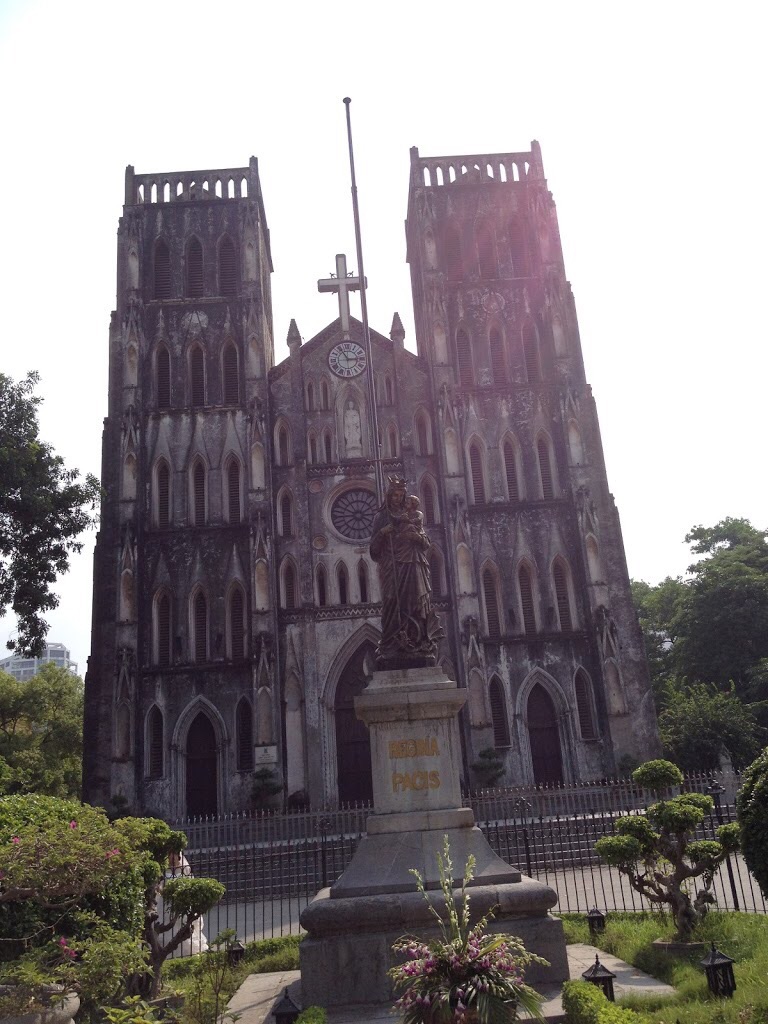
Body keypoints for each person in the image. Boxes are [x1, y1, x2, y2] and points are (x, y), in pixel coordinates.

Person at [369, 477, 443, 668]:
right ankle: (390, 645)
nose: (398, 498)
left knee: (415, 604)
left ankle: (416, 643)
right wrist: (383, 533)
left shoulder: (411, 514)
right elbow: (373, 551)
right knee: (391, 602)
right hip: (391, 567)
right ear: (389, 496)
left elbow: (426, 543)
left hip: (413, 564)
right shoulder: (381, 517)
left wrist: (415, 536)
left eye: (401, 495)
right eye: (395, 495)